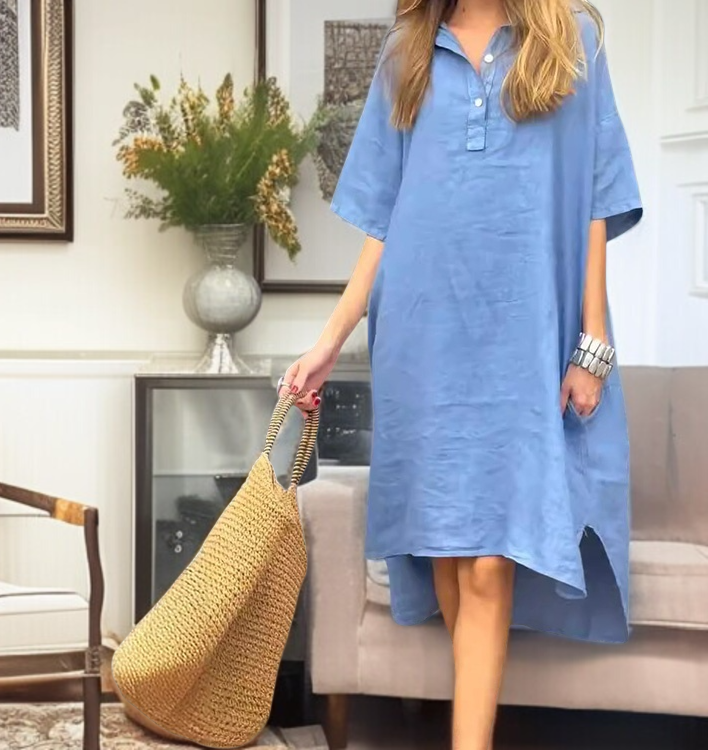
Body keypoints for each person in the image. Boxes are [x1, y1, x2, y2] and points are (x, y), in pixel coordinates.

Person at [279, 1, 642, 748]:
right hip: (424, 340)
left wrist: (593, 342)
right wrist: (329, 340)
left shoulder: (570, 38)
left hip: (523, 338)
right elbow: (385, 220)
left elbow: (597, 197)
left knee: (488, 564)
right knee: (448, 553)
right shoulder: (408, 49)